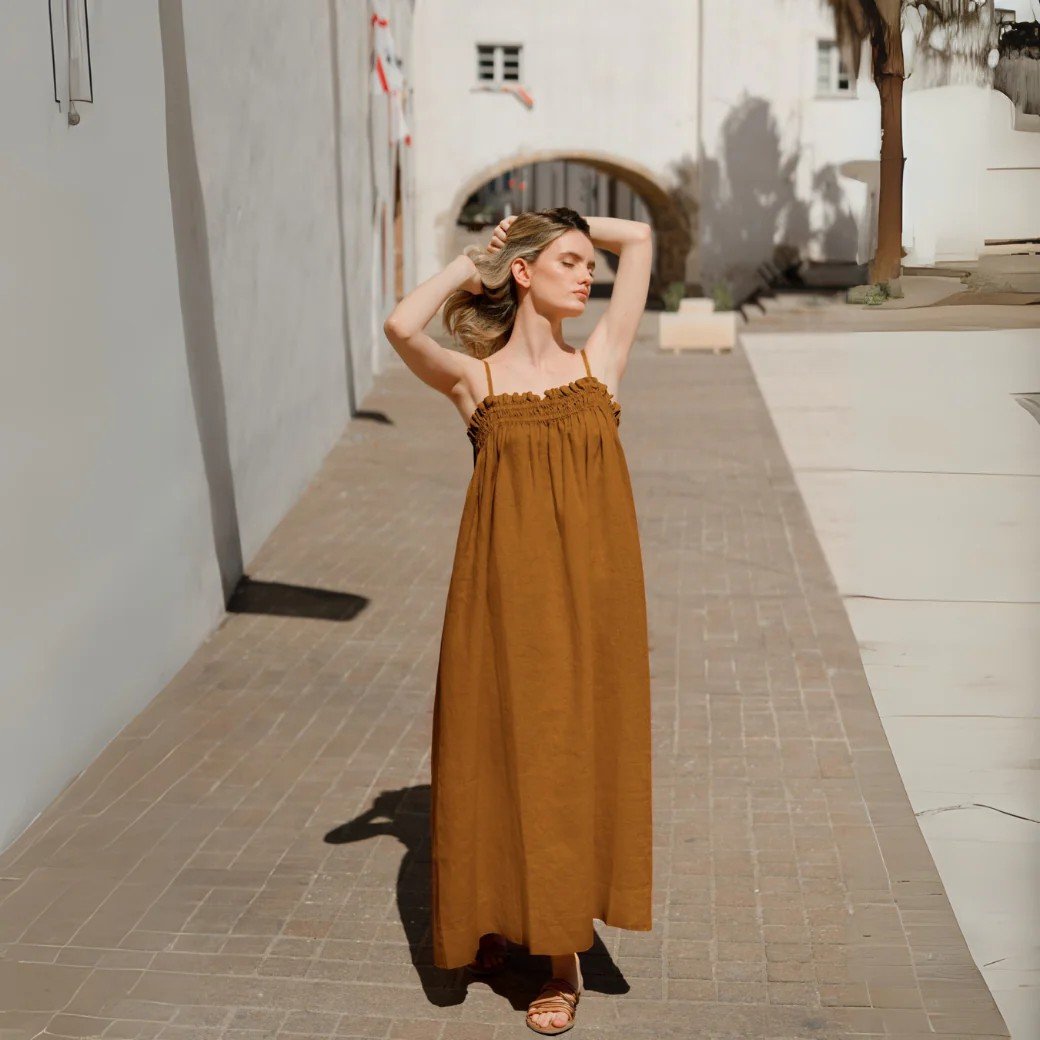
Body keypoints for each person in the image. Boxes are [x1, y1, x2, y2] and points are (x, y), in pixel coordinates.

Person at [383, 207, 654, 1035]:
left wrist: (561, 223)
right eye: (569, 261)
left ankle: (563, 959)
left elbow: (640, 240)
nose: (588, 273)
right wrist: (481, 259)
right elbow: (401, 327)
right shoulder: (478, 382)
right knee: (493, 755)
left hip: (592, 606)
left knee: (565, 762)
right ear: (526, 275)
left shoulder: (600, 361)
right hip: (499, 600)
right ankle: (492, 919)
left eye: (589, 263)